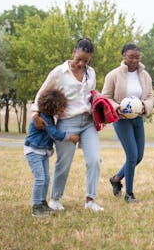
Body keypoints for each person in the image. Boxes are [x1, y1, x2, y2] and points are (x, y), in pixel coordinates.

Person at [31, 38, 104, 212]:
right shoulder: (59, 72)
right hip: (67, 122)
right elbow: (41, 93)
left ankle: (90, 200)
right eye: (79, 59)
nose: (81, 64)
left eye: (85, 61)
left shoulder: (91, 72)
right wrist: (35, 113)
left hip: (88, 122)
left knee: (95, 160)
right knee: (64, 162)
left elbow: (90, 94)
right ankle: (55, 199)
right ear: (73, 52)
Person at [101, 43, 154, 203]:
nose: (134, 60)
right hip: (121, 119)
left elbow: (150, 95)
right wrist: (118, 108)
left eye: (137, 57)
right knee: (132, 155)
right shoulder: (113, 75)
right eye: (131, 57)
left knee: (139, 156)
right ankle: (129, 194)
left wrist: (144, 106)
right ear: (124, 55)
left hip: (137, 118)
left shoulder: (145, 75)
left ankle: (116, 179)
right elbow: (105, 97)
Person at [24, 89, 80, 217]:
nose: (62, 111)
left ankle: (43, 203)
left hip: (42, 151)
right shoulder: (43, 118)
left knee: (46, 179)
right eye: (60, 108)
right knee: (40, 179)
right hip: (33, 150)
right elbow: (54, 134)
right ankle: (36, 207)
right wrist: (70, 137)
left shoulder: (47, 116)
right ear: (52, 106)